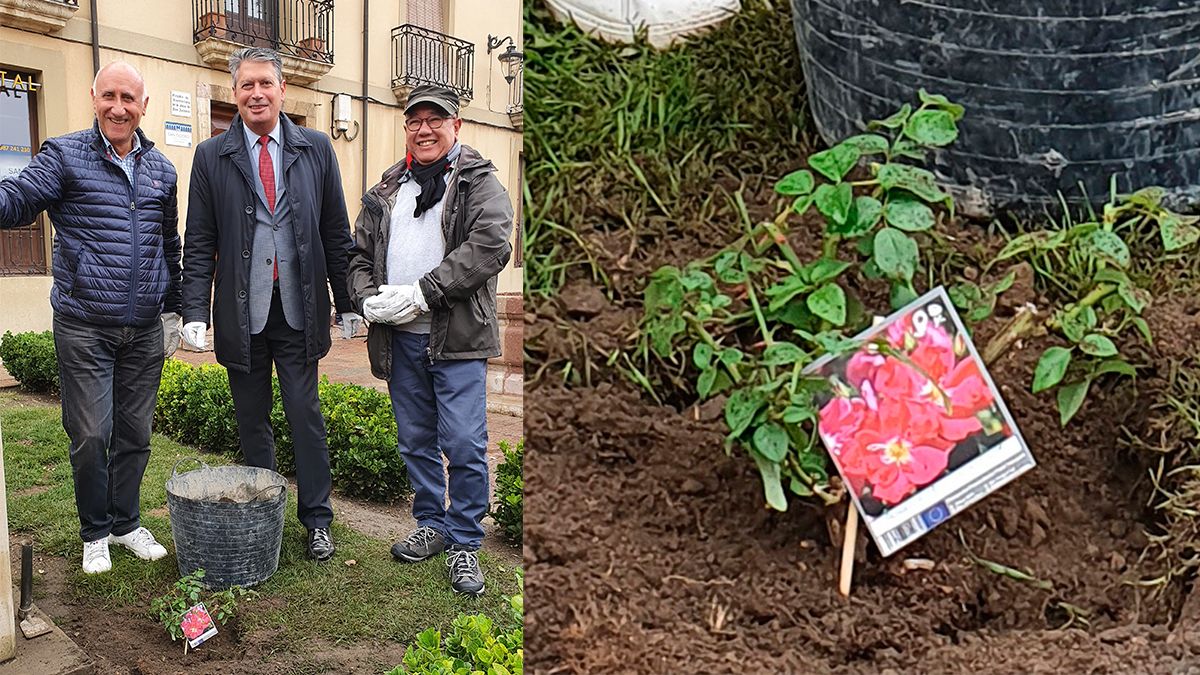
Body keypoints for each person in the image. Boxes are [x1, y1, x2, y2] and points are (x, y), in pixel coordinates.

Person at [180, 47, 360, 562]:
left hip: (299, 308)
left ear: (282, 90)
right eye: (246, 86)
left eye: (265, 84)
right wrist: (195, 310)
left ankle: (317, 520)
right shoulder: (212, 156)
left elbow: (334, 231)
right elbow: (199, 240)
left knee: (306, 415)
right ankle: (265, 517)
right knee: (251, 419)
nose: (256, 93)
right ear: (235, 94)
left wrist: (346, 301)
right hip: (242, 312)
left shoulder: (316, 148)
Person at [0, 62, 180, 574]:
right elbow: (19, 198)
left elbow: (170, 245)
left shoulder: (162, 170)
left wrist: (175, 310)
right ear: (93, 98)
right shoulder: (64, 154)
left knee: (135, 434)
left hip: (144, 328)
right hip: (84, 326)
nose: (118, 107)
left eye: (129, 98)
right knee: (91, 434)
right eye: (109, 96)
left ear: (144, 106)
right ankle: (94, 531)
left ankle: (125, 523)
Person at [347, 84, 513, 596]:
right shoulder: (387, 189)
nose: (424, 129)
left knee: (464, 442)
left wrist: (424, 292)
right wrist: (364, 298)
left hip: (457, 338)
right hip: (400, 341)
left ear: (455, 126)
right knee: (415, 441)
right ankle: (432, 525)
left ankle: (465, 541)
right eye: (415, 121)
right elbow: (357, 255)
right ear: (406, 130)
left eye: (435, 120)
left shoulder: (480, 182)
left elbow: (492, 244)